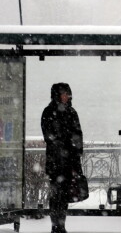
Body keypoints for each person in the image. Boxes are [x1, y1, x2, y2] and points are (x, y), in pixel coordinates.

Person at [41, 82, 84, 233]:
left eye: (67, 93)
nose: (66, 96)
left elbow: (78, 136)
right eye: (63, 93)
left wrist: (75, 157)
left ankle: (62, 225)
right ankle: (55, 226)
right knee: (56, 196)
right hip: (56, 163)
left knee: (64, 196)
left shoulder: (72, 112)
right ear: (56, 95)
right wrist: (67, 144)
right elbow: (49, 137)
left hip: (68, 163)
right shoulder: (48, 112)